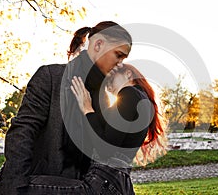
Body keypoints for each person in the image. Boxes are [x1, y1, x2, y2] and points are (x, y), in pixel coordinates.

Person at [0, 21, 132, 195]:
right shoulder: (51, 77)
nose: (120, 64)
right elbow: (22, 133)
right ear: (98, 45)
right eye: (118, 55)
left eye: (124, 59)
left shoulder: (105, 97)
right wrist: (15, 187)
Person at [23, 63, 168, 194]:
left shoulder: (129, 93)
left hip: (103, 182)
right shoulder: (144, 103)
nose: (108, 86)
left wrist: (87, 108)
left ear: (128, 74)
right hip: (121, 182)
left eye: (111, 78)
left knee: (22, 185)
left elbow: (105, 149)